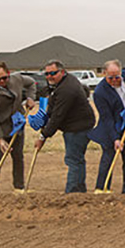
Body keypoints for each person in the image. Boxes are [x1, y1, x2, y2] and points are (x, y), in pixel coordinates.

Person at [35, 60, 96, 193]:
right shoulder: (64, 82)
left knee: (73, 160)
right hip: (77, 124)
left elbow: (57, 116)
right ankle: (79, 191)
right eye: (47, 74)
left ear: (62, 72)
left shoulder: (66, 89)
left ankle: (73, 192)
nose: (49, 76)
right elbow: (52, 108)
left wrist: (43, 136)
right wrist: (44, 124)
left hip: (78, 127)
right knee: (77, 159)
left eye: (53, 73)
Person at [89, 60, 125, 194]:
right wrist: (116, 138)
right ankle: (102, 189)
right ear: (104, 74)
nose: (114, 80)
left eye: (117, 76)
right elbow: (106, 118)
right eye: (110, 77)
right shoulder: (100, 93)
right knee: (108, 159)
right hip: (112, 128)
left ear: (121, 73)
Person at [0, 61, 36, 192]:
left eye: (4, 78)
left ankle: (19, 187)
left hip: (16, 124)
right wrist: (0, 139)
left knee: (18, 157)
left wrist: (30, 97)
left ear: (8, 73)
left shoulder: (17, 79)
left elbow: (31, 83)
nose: (1, 81)